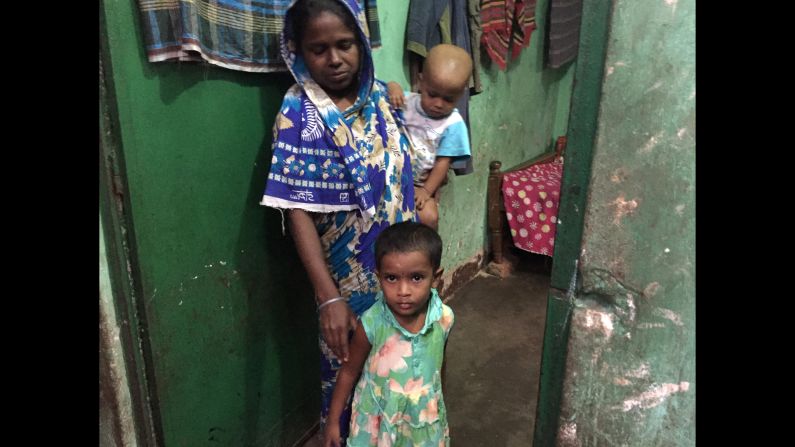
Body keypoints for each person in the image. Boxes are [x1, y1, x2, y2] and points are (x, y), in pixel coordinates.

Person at [259, 0, 415, 440]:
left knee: (404, 376)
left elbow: (403, 181)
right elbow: (296, 208)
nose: (334, 59)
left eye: (344, 44)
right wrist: (328, 299)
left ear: (361, 42)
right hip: (347, 287)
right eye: (318, 49)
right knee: (350, 387)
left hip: (402, 277)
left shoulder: (384, 98)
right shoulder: (299, 112)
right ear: (300, 53)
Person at [323, 221, 455, 447]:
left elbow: (439, 362)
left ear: (435, 276)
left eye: (416, 278)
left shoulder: (444, 318)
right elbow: (349, 371)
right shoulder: (372, 323)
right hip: (378, 423)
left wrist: (436, 399)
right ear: (379, 276)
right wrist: (333, 421)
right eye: (392, 278)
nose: (403, 291)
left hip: (422, 422)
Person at [386, 44, 473, 230]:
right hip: (390, 176)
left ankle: (427, 257)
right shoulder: (406, 102)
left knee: (429, 218)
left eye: (448, 99)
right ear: (421, 81)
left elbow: (443, 163)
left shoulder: (453, 124)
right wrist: (392, 87)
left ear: (461, 93)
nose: (438, 104)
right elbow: (382, 95)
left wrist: (426, 191)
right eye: (432, 94)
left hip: (420, 183)